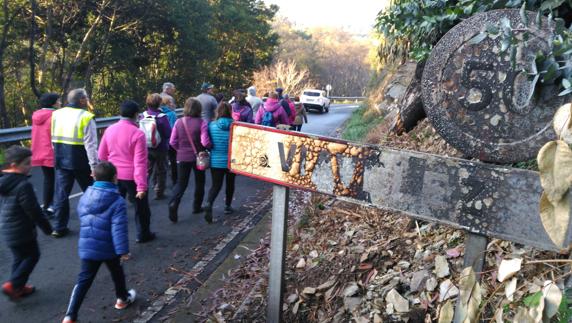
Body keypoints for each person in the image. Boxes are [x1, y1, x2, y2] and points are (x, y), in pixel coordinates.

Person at [61, 162, 136, 323]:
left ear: (94, 176)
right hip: (109, 248)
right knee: (117, 273)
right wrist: (123, 250)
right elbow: (119, 228)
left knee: (83, 280)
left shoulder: (86, 194)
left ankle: (70, 315)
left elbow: (82, 213)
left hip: (88, 245)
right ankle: (122, 299)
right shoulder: (117, 200)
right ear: (115, 178)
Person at [99, 100, 155, 243]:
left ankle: (110, 236)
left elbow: (101, 155)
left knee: (114, 208)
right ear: (136, 115)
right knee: (140, 208)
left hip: (113, 175)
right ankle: (143, 234)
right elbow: (140, 162)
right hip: (132, 177)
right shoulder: (137, 134)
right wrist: (141, 186)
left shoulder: (109, 129)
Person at [0, 146, 53, 301]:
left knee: (20, 258)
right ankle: (13, 284)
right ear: (14, 165)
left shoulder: (4, 181)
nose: (30, 166)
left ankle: (18, 287)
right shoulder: (23, 185)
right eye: (27, 164)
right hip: (22, 230)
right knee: (32, 256)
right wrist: (47, 228)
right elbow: (33, 210)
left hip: (8, 229)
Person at [51, 88, 97, 238]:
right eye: (87, 98)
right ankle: (95, 223)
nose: (88, 100)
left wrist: (57, 154)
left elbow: (53, 136)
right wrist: (94, 166)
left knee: (61, 194)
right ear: (82, 100)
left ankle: (59, 227)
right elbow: (90, 144)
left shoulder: (57, 114)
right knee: (91, 192)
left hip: (61, 158)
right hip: (80, 160)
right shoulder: (86, 116)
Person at [168, 98, 212, 223]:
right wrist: (208, 148)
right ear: (198, 109)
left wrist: (180, 150)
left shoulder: (178, 122)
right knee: (199, 182)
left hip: (182, 157)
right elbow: (204, 141)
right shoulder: (201, 122)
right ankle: (196, 207)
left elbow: (172, 142)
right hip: (198, 157)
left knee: (181, 183)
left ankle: (173, 203)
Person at [204, 102, 235, 224]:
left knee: (216, 185)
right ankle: (227, 206)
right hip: (231, 160)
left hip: (216, 161)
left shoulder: (211, 125)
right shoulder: (235, 126)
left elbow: (207, 142)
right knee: (230, 183)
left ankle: (209, 203)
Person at [31, 93, 61, 217]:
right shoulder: (56, 116)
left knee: (49, 180)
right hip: (54, 152)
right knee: (63, 180)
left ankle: (47, 207)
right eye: (58, 101)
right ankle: (58, 206)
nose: (60, 103)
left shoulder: (36, 115)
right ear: (53, 103)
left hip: (40, 152)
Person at [141, 93, 171, 200]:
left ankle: (142, 190)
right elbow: (168, 133)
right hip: (160, 148)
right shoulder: (162, 117)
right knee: (161, 170)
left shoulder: (143, 116)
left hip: (146, 147)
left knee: (147, 170)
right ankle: (159, 192)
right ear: (159, 103)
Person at [160, 96, 178, 186]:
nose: (173, 104)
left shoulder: (160, 112)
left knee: (160, 163)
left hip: (161, 142)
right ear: (168, 104)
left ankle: (157, 184)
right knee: (173, 160)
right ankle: (174, 180)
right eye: (171, 102)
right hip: (170, 141)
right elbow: (173, 129)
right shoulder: (172, 114)